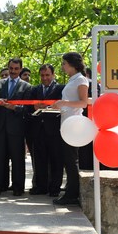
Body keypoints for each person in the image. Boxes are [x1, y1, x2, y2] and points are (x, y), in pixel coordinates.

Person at [51, 52, 89, 205]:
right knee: (68, 159)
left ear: (72, 64)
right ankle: (70, 190)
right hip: (66, 122)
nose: (62, 67)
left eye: (64, 64)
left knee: (71, 159)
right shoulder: (73, 80)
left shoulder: (81, 79)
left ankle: (72, 194)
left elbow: (83, 103)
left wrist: (64, 102)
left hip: (74, 124)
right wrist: (60, 106)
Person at [0, 58, 31, 196]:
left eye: (16, 69)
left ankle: (18, 187)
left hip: (17, 128)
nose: (13, 71)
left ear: (20, 69)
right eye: (11, 68)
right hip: (0, 127)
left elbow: (27, 109)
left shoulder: (26, 87)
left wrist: (14, 108)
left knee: (17, 159)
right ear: (8, 68)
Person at [28, 64, 64, 197]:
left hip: (54, 130)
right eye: (42, 75)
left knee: (56, 160)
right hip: (38, 130)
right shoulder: (34, 89)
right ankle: (41, 187)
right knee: (40, 160)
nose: (45, 78)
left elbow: (63, 106)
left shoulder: (61, 88)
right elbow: (27, 107)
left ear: (53, 75)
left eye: (47, 75)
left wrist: (49, 106)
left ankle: (55, 188)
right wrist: (34, 107)